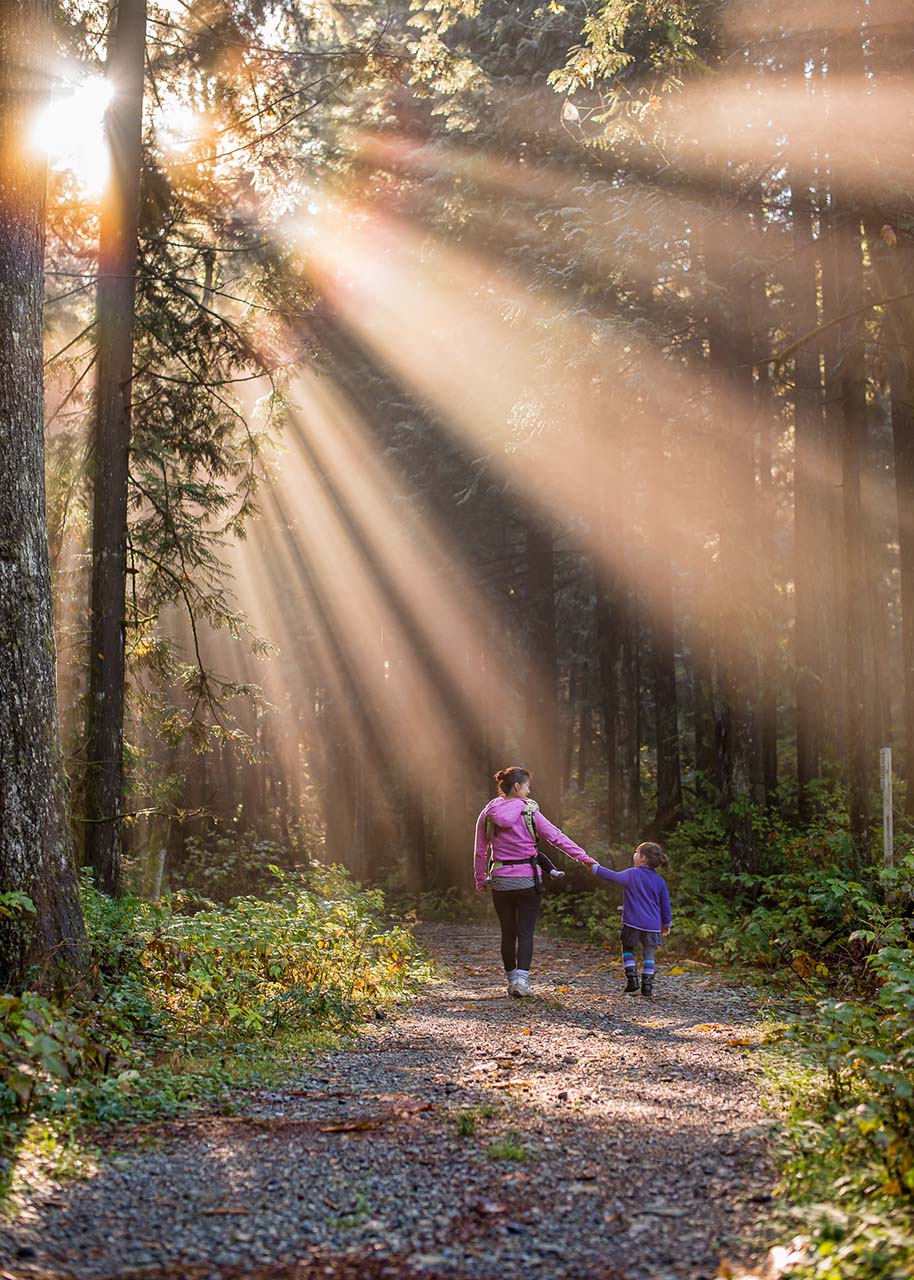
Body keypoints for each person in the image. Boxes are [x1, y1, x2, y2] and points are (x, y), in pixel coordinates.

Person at [474, 766, 596, 997]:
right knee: (526, 932)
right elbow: (557, 838)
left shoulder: (488, 813)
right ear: (518, 787)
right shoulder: (530, 812)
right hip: (528, 881)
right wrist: (585, 859)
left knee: (507, 932)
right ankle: (522, 982)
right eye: (528, 786)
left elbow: (481, 850)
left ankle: (511, 982)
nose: (529, 791)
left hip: (500, 880)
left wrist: (481, 879)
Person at [589, 842, 672, 998]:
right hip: (652, 926)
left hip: (632, 922)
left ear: (642, 858)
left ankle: (632, 980)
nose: (634, 855)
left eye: (636, 852)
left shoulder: (632, 874)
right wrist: (666, 924)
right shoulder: (660, 881)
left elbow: (612, 876)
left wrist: (594, 868)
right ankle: (647, 987)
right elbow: (665, 905)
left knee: (627, 949)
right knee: (649, 954)